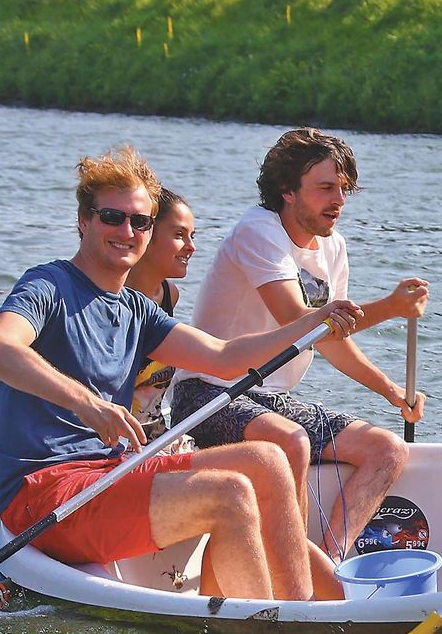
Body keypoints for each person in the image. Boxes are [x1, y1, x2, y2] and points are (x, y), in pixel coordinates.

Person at [0, 146, 362, 601]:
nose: (127, 231)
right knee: (232, 492)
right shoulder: (48, 285)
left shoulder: (137, 309)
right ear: (84, 221)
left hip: (109, 473)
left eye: (140, 222)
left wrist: (314, 321)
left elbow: (225, 357)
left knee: (268, 459)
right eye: (112, 218)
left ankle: (294, 616)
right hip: (43, 497)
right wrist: (89, 404)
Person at [169, 128, 426, 564]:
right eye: (325, 188)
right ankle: (297, 570)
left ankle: (332, 562)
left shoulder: (334, 247)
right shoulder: (258, 230)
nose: (338, 200)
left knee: (387, 450)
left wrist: (391, 394)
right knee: (290, 440)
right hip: (207, 394)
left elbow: (330, 339)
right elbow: (298, 319)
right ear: (287, 191)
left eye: (344, 189)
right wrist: (391, 306)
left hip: (270, 400)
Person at [126, 188, 196, 440]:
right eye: (179, 235)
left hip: (158, 436)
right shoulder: (116, 299)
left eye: (192, 236)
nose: (191, 247)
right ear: (147, 234)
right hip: (122, 444)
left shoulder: (169, 294)